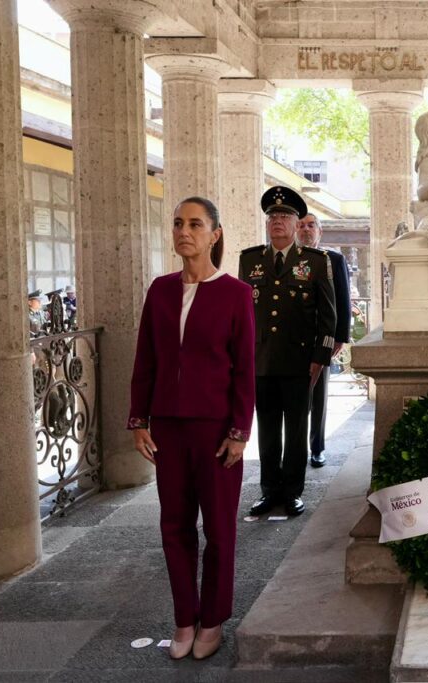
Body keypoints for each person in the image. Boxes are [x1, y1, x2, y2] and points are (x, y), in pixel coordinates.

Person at [127, 196, 255, 660]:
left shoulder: (236, 294)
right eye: (179, 223)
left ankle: (213, 618)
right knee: (174, 526)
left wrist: (239, 431)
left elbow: (245, 370)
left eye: (195, 224)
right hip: (168, 428)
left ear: (214, 234)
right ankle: (184, 618)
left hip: (216, 430)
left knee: (218, 529)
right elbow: (146, 359)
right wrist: (139, 420)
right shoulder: (160, 290)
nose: (184, 231)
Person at [240, 186, 337, 518]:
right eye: (272, 217)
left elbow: (328, 316)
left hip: (300, 363)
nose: (277, 221)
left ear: (297, 224)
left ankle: (293, 491)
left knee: (296, 431)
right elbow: (242, 315)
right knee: (267, 430)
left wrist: (320, 358)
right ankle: (269, 490)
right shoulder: (250, 260)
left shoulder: (315, 262)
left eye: (284, 216)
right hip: (262, 361)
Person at [296, 213, 351, 468]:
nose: (305, 230)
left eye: (311, 225)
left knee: (318, 396)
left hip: (322, 337)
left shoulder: (333, 259)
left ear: (320, 231)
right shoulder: (288, 258)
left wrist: (340, 337)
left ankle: (317, 447)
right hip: (291, 339)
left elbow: (343, 299)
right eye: (301, 225)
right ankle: (294, 447)